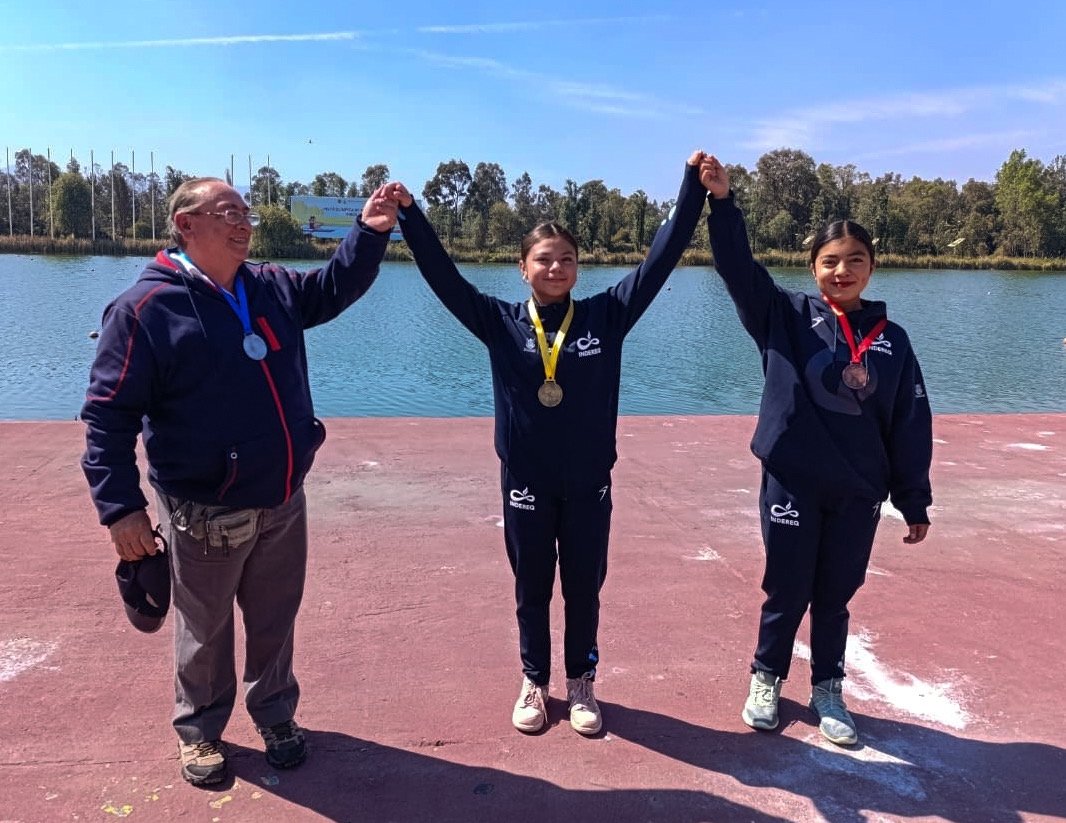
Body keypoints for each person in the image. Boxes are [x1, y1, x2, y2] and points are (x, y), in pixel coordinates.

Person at [81, 177, 400, 786]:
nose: (243, 223)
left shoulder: (271, 286)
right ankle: (200, 730)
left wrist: (369, 231)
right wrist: (120, 508)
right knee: (204, 629)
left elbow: (333, 288)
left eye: (245, 213)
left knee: (276, 619)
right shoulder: (144, 309)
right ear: (186, 224)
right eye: (227, 212)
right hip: (203, 507)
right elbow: (106, 416)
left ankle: (274, 713)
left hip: (282, 497)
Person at [387, 153, 712, 735]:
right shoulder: (498, 322)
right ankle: (534, 681)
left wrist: (693, 189)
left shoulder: (607, 317)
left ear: (578, 268)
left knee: (584, 588)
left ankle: (581, 682)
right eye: (544, 258)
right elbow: (443, 278)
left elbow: (660, 260)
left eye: (566, 259)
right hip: (526, 482)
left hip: (588, 484)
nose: (556, 267)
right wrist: (411, 216)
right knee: (531, 588)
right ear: (522, 268)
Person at [698, 155, 932, 746]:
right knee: (787, 588)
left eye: (855, 260)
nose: (842, 271)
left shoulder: (894, 341)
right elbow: (736, 266)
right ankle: (766, 678)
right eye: (830, 261)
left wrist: (914, 499)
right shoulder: (784, 316)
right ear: (813, 267)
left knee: (834, 596)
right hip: (794, 481)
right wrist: (723, 203)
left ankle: (828, 689)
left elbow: (909, 423)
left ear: (872, 268)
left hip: (858, 491)